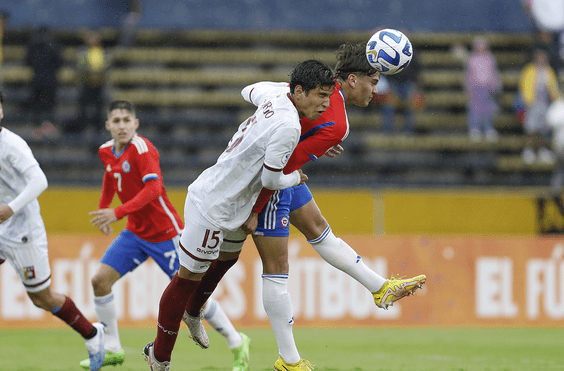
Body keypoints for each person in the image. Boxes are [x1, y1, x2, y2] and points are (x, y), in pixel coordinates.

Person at [227, 43, 425, 371]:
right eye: (373, 82)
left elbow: (256, 92)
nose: (376, 90)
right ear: (350, 80)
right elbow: (281, 168)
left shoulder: (325, 95)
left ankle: (380, 288)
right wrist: (255, 208)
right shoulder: (336, 125)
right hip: (265, 180)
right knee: (276, 269)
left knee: (320, 230)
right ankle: (288, 360)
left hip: (275, 170)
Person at [142, 59, 336, 371]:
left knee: (228, 258)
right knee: (186, 279)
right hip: (213, 207)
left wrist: (275, 93)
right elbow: (273, 180)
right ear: (299, 92)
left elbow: (250, 89)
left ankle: (194, 312)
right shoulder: (289, 126)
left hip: (236, 206)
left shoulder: (275, 96)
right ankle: (160, 358)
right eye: (321, 95)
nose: (327, 103)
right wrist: (297, 178)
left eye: (329, 96)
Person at [0, 87, 106, 371]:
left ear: (2, 112)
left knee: (42, 298)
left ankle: (93, 334)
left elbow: (40, 181)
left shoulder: (12, 145)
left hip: (23, 230)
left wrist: (11, 208)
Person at [79, 100, 251, 371]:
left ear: (135, 124)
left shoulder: (142, 149)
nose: (122, 125)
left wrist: (117, 212)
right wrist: (104, 207)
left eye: (127, 120)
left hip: (165, 233)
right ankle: (113, 348)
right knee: (100, 281)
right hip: (135, 233)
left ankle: (236, 340)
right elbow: (111, 178)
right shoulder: (106, 151)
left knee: (192, 292)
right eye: (117, 120)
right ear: (108, 125)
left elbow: (154, 189)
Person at [519, 48, 561, 164]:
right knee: (531, 129)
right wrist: (527, 101)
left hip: (544, 103)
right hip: (532, 103)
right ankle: (528, 150)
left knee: (543, 129)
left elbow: (553, 87)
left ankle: (542, 150)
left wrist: (557, 99)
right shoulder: (529, 70)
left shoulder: (548, 71)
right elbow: (524, 86)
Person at [25, 26, 63, 139]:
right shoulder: (54, 44)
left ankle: (38, 129)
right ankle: (47, 128)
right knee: (49, 105)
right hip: (50, 79)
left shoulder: (32, 45)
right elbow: (60, 62)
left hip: (37, 79)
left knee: (37, 105)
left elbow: (27, 61)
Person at [464, 36, 502, 142]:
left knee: (488, 109)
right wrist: (468, 89)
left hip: (488, 88)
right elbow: (468, 76)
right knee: (475, 109)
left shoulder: (490, 59)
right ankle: (474, 129)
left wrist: (496, 85)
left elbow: (494, 73)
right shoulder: (471, 59)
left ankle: (488, 129)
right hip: (475, 88)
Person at [69, 31, 107, 135]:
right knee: (83, 109)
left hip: (98, 85)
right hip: (86, 84)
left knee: (98, 110)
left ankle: (97, 131)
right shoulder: (83, 52)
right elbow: (79, 68)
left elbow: (106, 68)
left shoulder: (102, 52)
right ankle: (82, 130)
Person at [380, 49, 422, 134]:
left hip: (408, 82)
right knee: (389, 107)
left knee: (410, 107)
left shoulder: (411, 51)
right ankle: (388, 132)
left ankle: (408, 132)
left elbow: (417, 67)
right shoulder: (391, 51)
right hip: (394, 83)